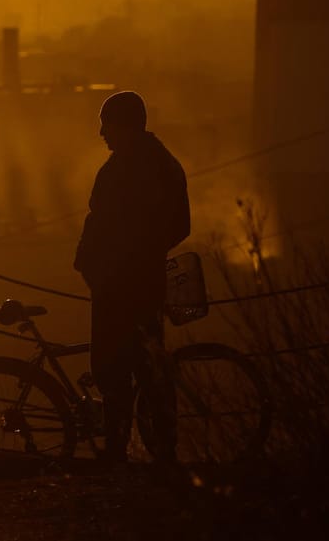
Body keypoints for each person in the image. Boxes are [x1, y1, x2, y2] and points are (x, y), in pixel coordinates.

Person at [73, 91, 189, 464]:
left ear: (124, 126)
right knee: (148, 366)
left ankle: (118, 448)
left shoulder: (125, 169)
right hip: (142, 282)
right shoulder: (163, 163)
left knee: (113, 368)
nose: (101, 133)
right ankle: (161, 447)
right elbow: (179, 226)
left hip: (117, 286)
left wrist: (107, 263)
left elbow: (104, 223)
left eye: (106, 124)